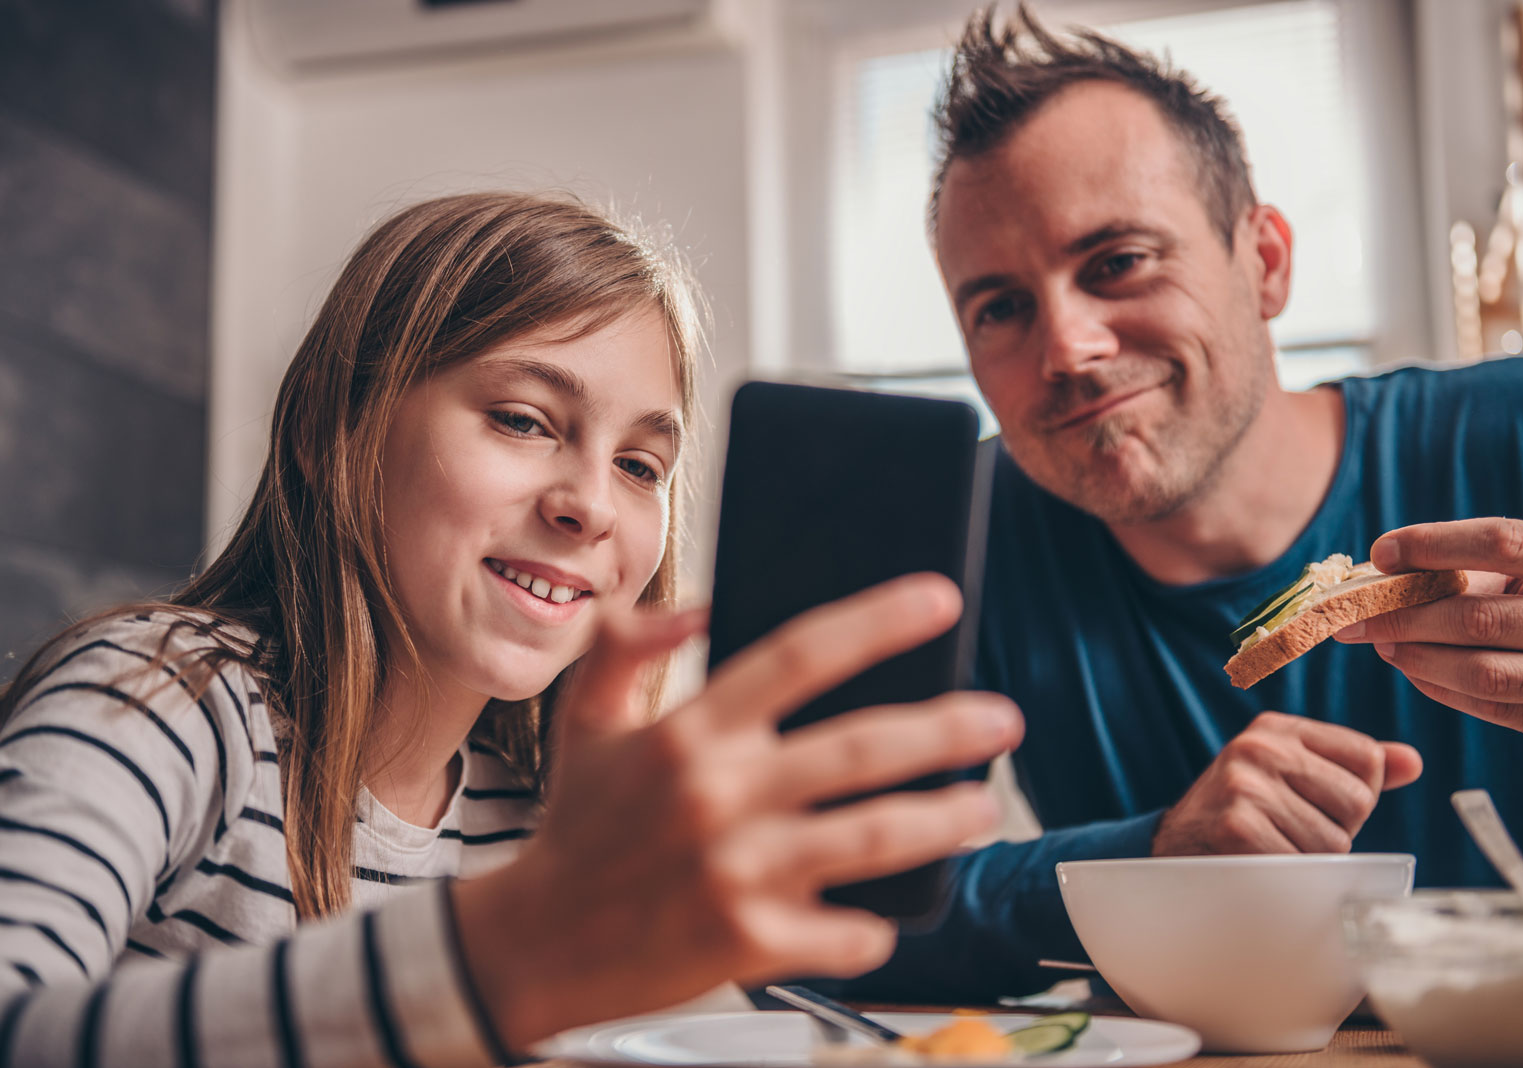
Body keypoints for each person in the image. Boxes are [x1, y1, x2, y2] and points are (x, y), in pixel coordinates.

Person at [0, 191, 1024, 1065]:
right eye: (524, 420)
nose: (589, 505)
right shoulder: (157, 700)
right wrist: (495, 956)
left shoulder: (521, 813)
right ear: (328, 430)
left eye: (639, 465)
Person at [833, 5, 1523, 1002]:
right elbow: (815, 921)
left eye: (1117, 263)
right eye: (1000, 308)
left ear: (1266, 263)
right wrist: (1144, 860)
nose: (1067, 349)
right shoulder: (962, 532)